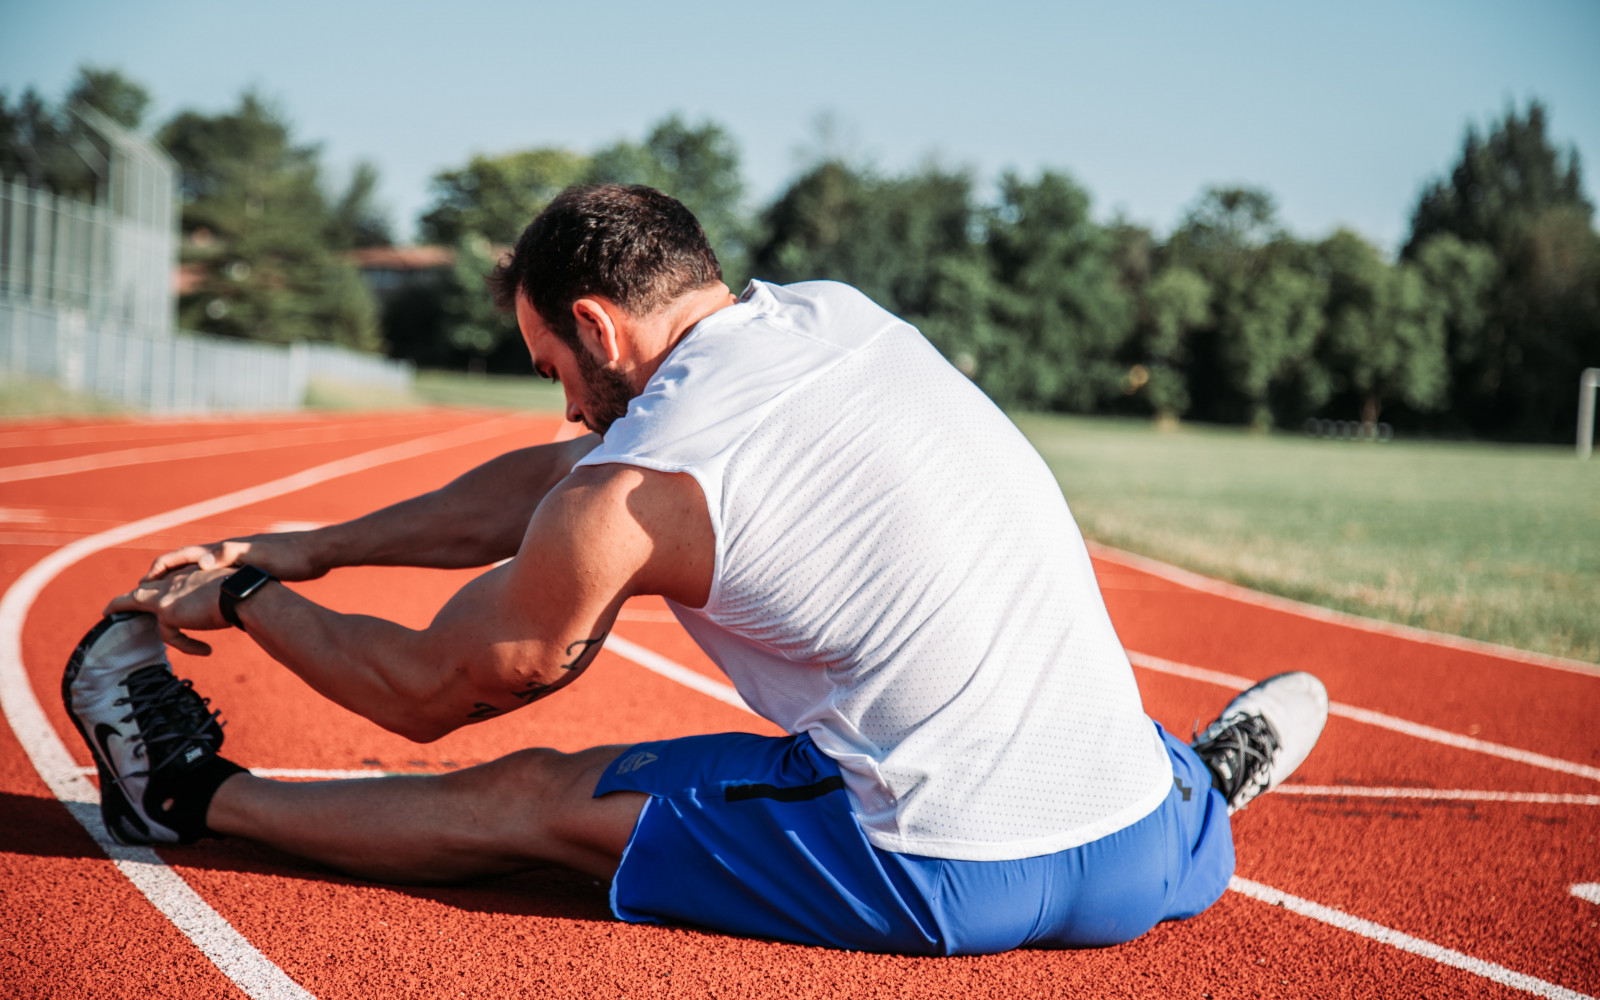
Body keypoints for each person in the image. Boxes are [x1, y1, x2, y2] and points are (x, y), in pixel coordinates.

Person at [65, 184, 1328, 955]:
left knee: (528, 799)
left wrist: (245, 594)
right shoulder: (835, 316)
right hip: (1139, 857)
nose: (560, 405)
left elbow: (428, 687)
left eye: (552, 367)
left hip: (939, 866)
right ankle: (1199, 785)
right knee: (1045, 679)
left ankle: (185, 797)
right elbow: (563, 481)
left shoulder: (630, 489)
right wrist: (315, 546)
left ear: (600, 329)